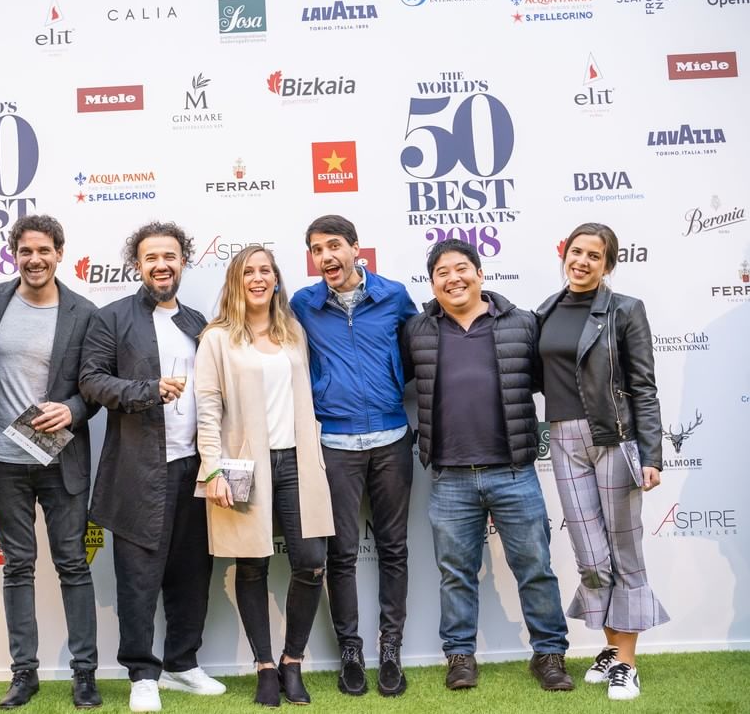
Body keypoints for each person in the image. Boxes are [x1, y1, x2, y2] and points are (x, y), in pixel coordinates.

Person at [401, 239, 573, 693]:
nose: (453, 278)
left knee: (535, 566)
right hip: (449, 476)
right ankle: (460, 656)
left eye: (461, 269)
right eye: (442, 272)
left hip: (513, 471)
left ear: (479, 273)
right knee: (455, 573)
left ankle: (550, 655)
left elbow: (543, 380)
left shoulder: (522, 324)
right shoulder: (417, 329)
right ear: (432, 282)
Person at [80, 221, 225, 713]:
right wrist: (146, 391)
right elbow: (92, 383)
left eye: (170, 256)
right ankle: (143, 673)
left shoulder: (199, 322)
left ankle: (183, 664)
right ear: (137, 265)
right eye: (150, 258)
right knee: (138, 577)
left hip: (195, 467)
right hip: (140, 471)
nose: (161, 265)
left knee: (191, 572)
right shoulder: (112, 318)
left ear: (183, 260)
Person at [194, 246, 334, 707]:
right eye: (248, 271)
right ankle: (265, 668)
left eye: (265, 270)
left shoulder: (293, 330)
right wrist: (211, 466)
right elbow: (208, 407)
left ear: (276, 278)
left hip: (297, 461)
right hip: (241, 464)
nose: (258, 278)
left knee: (311, 561)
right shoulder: (216, 337)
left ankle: (293, 661)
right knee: (250, 563)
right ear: (236, 281)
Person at [536, 223, 669, 701]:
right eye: (577, 252)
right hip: (563, 440)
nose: (583, 261)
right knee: (591, 557)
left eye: (595, 255)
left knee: (624, 551)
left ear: (608, 265)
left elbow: (644, 388)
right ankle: (613, 648)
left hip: (613, 437)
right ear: (564, 254)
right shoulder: (545, 311)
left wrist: (650, 453)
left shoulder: (626, 310)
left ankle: (625, 664)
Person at [289, 214, 418, 696]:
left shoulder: (394, 297)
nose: (325, 257)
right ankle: (350, 652)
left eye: (334, 246)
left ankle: (391, 651)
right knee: (340, 554)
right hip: (335, 445)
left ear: (356, 249)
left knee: (394, 549)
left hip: (390, 439)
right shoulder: (304, 304)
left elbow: (422, 349)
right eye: (316, 250)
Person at [0, 215, 102, 709]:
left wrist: (72, 410)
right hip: (2, 460)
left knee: (73, 563)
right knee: (18, 567)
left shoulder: (85, 311)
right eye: (26, 251)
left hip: (61, 457)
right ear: (15, 253)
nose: (35, 259)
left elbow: (95, 385)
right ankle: (23, 674)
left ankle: (85, 674)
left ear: (60, 253)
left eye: (44, 250)